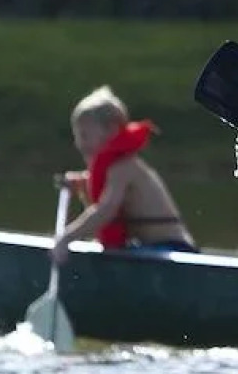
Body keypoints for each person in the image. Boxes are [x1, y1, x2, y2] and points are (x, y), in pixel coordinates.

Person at [51, 85, 197, 263]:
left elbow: (106, 210)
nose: (79, 144)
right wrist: (82, 184)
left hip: (172, 250)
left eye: (84, 135)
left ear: (112, 130)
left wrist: (66, 238)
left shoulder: (125, 167)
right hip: (148, 249)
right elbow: (104, 194)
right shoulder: (115, 170)